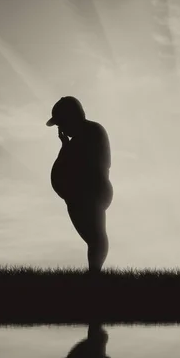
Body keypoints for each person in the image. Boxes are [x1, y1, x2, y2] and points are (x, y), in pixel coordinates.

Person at [47, 96, 113, 273]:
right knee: (93, 238)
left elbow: (84, 166)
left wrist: (67, 148)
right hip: (78, 197)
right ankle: (94, 273)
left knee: (96, 238)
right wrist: (65, 146)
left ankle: (94, 274)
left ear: (71, 117)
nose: (60, 128)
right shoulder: (78, 138)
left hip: (92, 193)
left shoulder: (92, 132)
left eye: (61, 122)